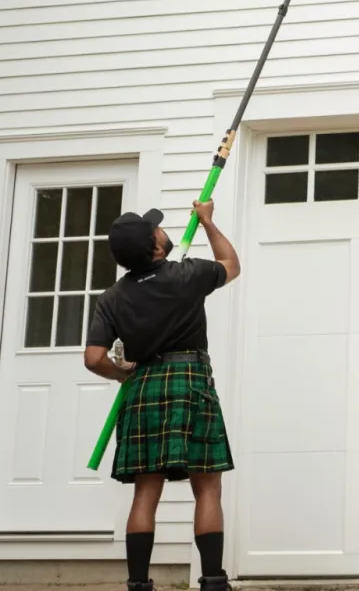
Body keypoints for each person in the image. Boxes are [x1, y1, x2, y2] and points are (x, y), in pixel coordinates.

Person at [83, 200, 241, 591]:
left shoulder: (112, 297)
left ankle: (138, 584)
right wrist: (206, 221)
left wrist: (121, 375)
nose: (162, 231)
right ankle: (214, 581)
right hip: (190, 381)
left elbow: (93, 359)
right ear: (155, 247)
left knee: (146, 490)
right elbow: (232, 265)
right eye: (156, 229)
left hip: (144, 386)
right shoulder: (186, 274)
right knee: (206, 485)